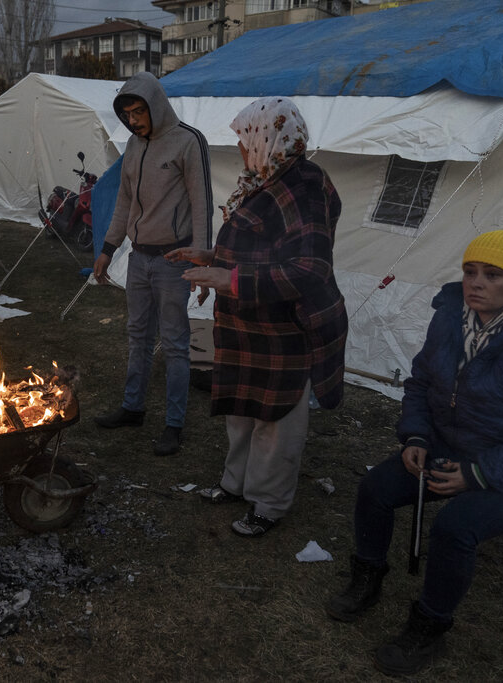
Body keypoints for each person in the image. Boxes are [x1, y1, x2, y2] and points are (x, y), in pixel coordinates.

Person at [325, 230, 503, 676]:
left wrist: (478, 474)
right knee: (377, 487)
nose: (476, 282)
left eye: (493, 274)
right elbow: (421, 382)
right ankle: (368, 576)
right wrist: (417, 437)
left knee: (456, 526)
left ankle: (430, 626)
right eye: (470, 270)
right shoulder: (452, 314)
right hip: (450, 444)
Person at [168, 97, 347, 537]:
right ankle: (236, 484)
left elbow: (309, 269)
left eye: (245, 141)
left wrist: (228, 280)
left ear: (269, 137)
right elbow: (260, 246)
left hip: (286, 329)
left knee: (276, 421)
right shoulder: (265, 180)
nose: (243, 150)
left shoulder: (303, 185)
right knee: (244, 412)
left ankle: (268, 504)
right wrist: (211, 255)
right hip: (248, 328)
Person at [92, 71, 213, 457]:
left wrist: (200, 256)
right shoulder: (132, 145)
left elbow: (201, 203)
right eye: (127, 113)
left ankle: (174, 425)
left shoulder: (188, 141)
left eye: (139, 111)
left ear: (156, 106)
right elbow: (124, 202)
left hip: (174, 260)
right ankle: (133, 408)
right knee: (138, 337)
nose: (133, 120)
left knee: (176, 344)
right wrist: (108, 248)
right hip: (139, 258)